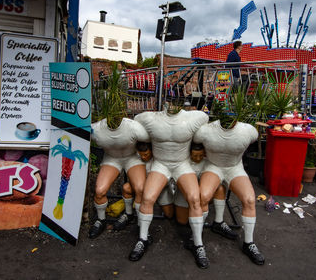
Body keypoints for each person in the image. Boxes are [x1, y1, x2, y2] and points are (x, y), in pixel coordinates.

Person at [129, 106, 209, 268]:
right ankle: (143, 238)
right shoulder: (150, 118)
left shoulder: (193, 117)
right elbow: (136, 121)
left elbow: (204, 117)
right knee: (148, 197)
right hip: (161, 164)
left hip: (182, 164)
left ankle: (198, 244)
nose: (172, 105)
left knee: (195, 198)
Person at [194, 118, 265, 265]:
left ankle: (248, 243)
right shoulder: (206, 131)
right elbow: (194, 142)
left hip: (234, 167)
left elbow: (254, 136)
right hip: (213, 166)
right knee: (203, 196)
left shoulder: (248, 131)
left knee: (249, 200)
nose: (229, 119)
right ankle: (197, 242)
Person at [89, 118, 150, 238]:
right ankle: (101, 220)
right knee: (99, 191)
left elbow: (152, 137)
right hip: (111, 158)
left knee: (140, 189)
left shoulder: (133, 126)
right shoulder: (96, 129)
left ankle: (136, 220)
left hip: (132, 158)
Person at [174, 143, 236, 240]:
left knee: (220, 187)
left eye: (201, 155)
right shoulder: (183, 163)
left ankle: (217, 222)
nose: (198, 158)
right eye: (195, 156)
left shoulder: (208, 163)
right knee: (182, 221)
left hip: (201, 195)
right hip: (185, 195)